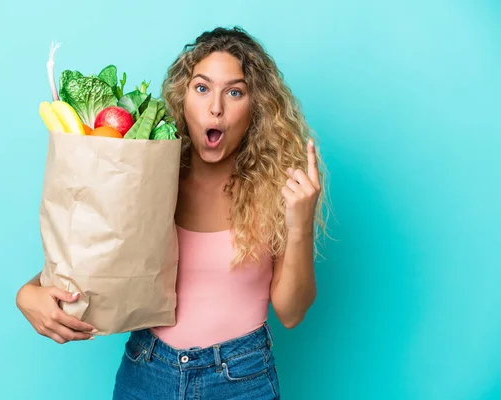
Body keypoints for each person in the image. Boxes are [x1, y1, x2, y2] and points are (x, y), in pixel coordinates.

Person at [16, 26, 329, 399]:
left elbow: (291, 313)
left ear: (255, 107)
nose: (215, 107)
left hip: (240, 379)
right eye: (202, 88)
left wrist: (300, 225)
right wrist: (27, 294)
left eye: (234, 91)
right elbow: (92, 260)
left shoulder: (279, 189)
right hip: (147, 371)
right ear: (182, 97)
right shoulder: (144, 174)